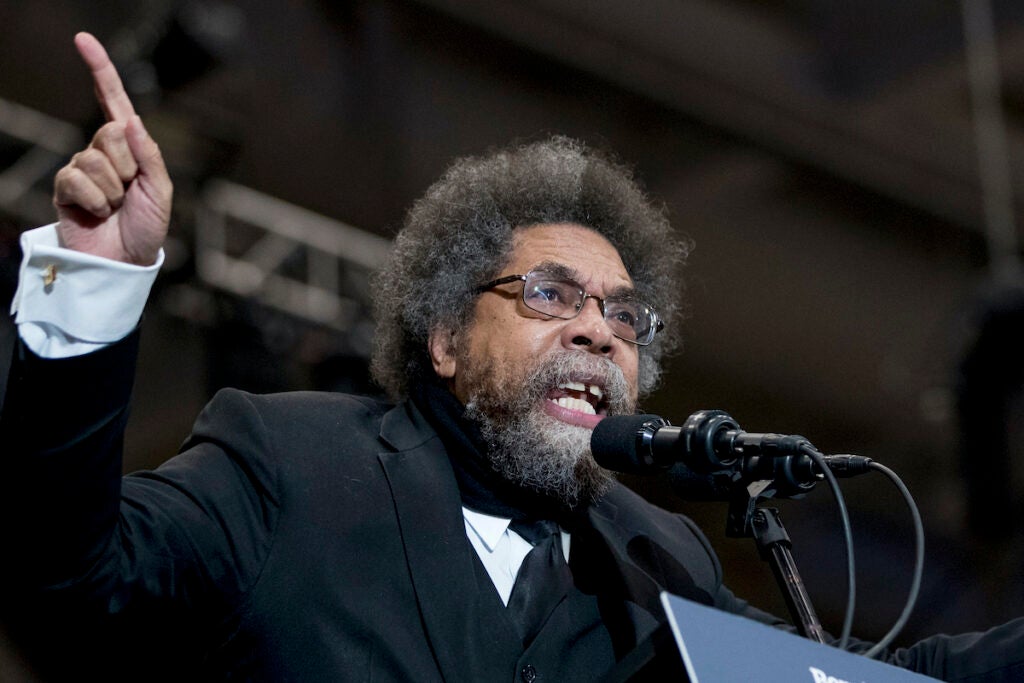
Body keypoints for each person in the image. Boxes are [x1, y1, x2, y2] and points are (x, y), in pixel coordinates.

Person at [2, 32, 1024, 682]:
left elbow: (854, 679)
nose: (597, 330)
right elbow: (65, 578)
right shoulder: (291, 460)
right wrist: (92, 285)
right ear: (445, 336)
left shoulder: (658, 555)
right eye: (550, 294)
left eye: (625, 317)